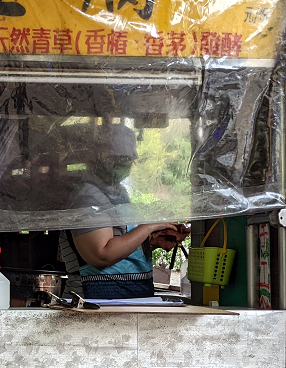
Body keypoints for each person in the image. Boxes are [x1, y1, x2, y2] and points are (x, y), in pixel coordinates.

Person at [59, 124, 189, 299]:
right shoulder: (88, 198)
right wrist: (149, 226)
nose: (126, 164)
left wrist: (150, 241)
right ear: (99, 158)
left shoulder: (118, 193)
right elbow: (101, 255)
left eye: (129, 159)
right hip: (94, 304)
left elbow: (120, 243)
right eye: (119, 158)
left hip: (129, 300)